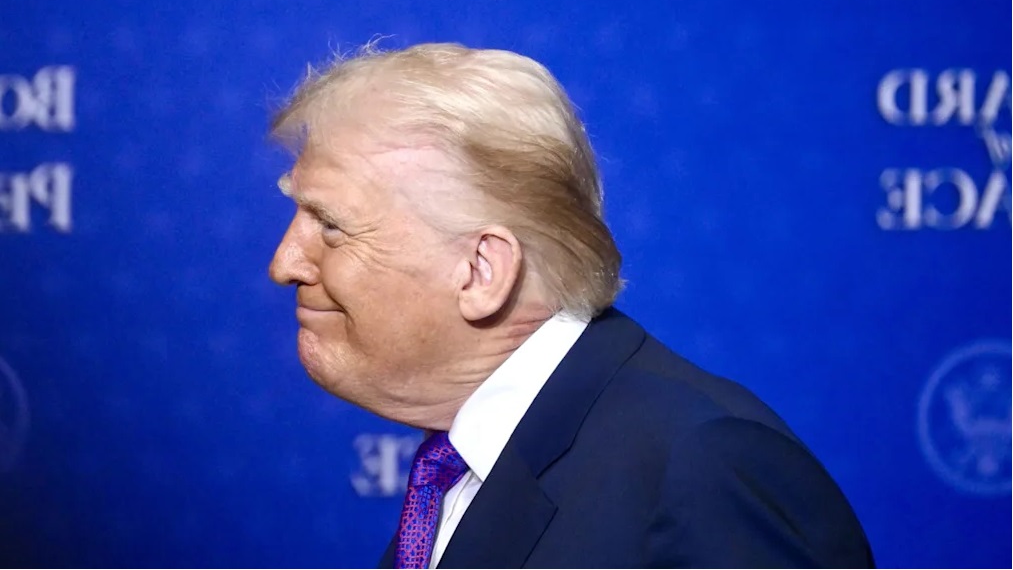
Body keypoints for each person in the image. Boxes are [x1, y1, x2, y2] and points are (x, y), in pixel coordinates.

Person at [268, 42, 875, 569]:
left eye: (330, 225)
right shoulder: (462, 463)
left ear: (481, 271)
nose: (284, 262)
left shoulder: (703, 468)